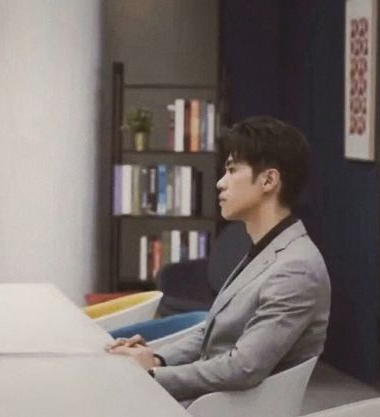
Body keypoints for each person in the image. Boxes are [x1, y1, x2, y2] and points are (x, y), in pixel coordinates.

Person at [106, 116, 331, 402]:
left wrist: (151, 376)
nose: (220, 183)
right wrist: (156, 358)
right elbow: (213, 332)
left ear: (269, 180)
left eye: (232, 170)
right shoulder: (267, 248)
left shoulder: (296, 269)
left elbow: (243, 367)